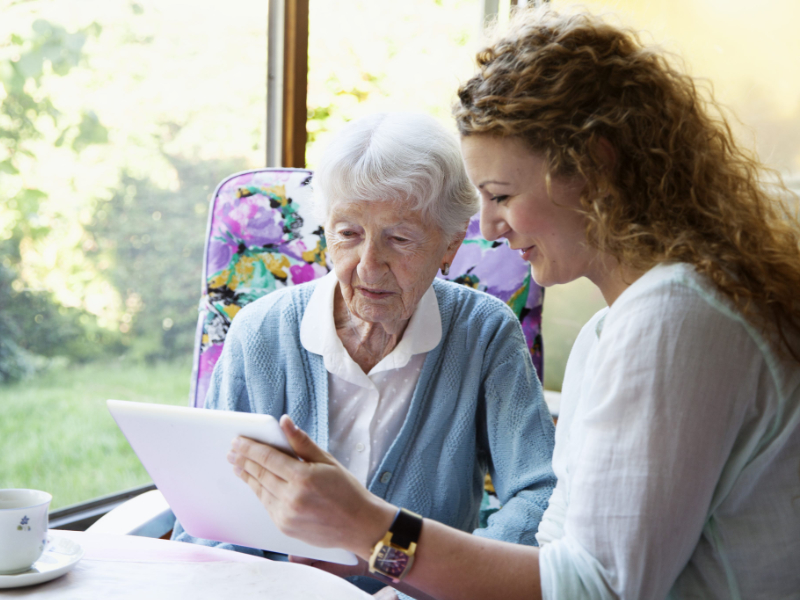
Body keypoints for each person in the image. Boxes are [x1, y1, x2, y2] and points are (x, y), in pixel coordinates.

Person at [225, 6, 800, 600]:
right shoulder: (613, 330)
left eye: (501, 194)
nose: (488, 229)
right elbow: (555, 554)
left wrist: (371, 528)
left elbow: (595, 591)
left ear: (595, 168)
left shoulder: (675, 319)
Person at [173, 111, 557, 597]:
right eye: (348, 234)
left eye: (399, 239)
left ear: (450, 246)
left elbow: (539, 494)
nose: (369, 264)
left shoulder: (485, 333)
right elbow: (208, 520)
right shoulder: (260, 334)